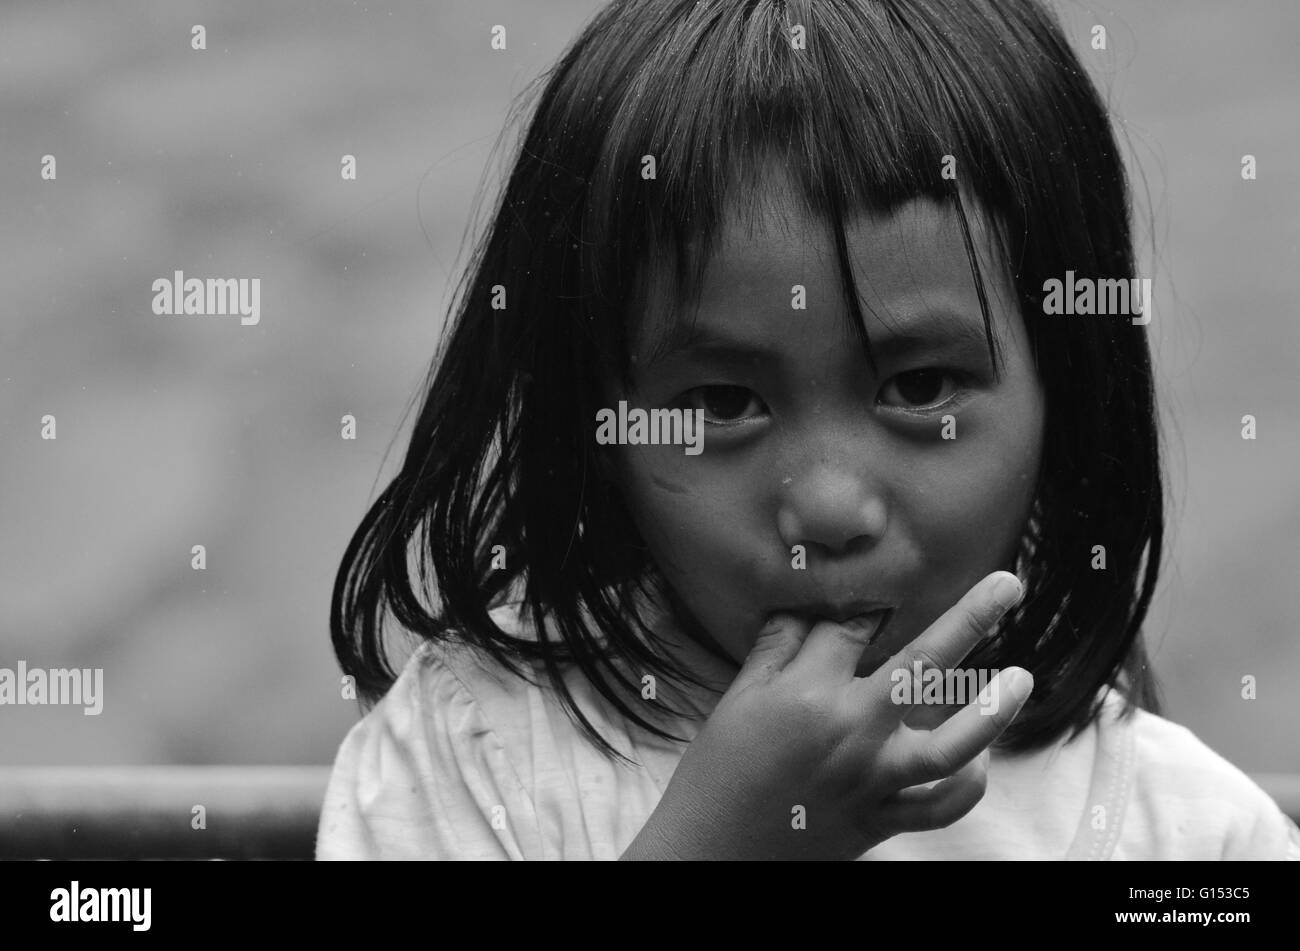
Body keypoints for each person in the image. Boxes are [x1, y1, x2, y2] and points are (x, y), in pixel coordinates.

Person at [316, 0, 1300, 860]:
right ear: (595, 425)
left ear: (1070, 400)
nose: (827, 505)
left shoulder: (1182, 836)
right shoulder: (473, 762)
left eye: (921, 387)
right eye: (720, 406)